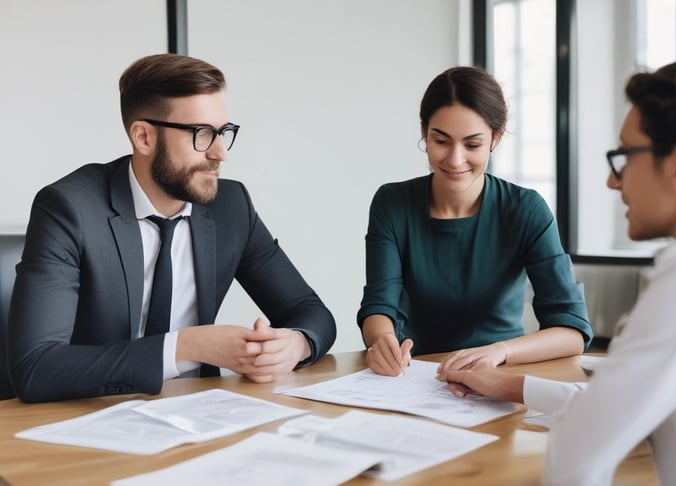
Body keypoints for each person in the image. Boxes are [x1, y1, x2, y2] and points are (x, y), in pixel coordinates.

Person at [438, 56, 676, 485]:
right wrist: (512, 386)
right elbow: (620, 399)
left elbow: (578, 454)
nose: (613, 181)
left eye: (625, 156)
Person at [8, 53, 336, 403]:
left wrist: (295, 344)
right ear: (144, 137)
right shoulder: (70, 208)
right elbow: (36, 367)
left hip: (206, 413)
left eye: (224, 132)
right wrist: (189, 345)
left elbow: (311, 312)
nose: (220, 153)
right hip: (97, 415)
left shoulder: (231, 205)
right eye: (202, 134)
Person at [358, 66, 592, 376]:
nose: (455, 160)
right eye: (441, 141)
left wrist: (500, 351)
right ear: (423, 132)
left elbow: (572, 330)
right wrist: (383, 340)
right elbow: (379, 304)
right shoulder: (392, 203)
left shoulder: (525, 209)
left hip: (500, 375)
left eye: (472, 145)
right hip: (413, 376)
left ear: (495, 138)